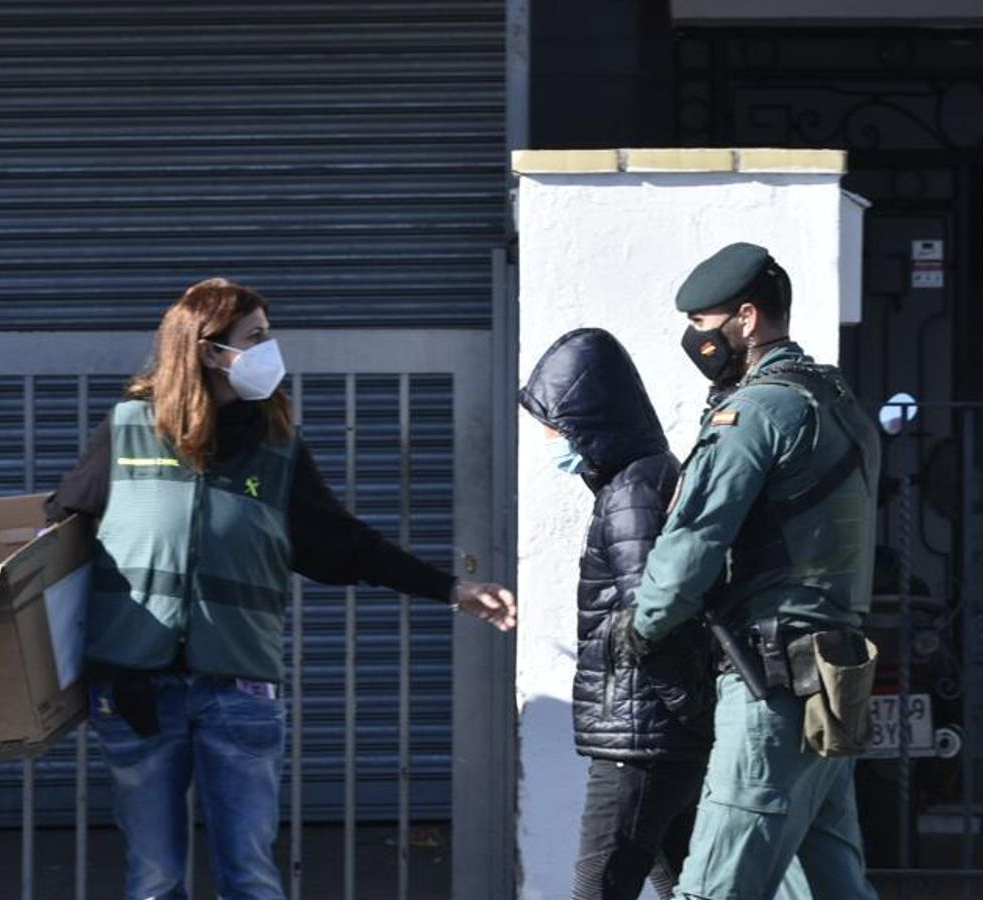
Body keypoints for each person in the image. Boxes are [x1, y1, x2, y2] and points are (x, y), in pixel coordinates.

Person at [44, 277, 516, 900]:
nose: (271, 351)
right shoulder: (129, 428)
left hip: (238, 688)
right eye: (256, 337)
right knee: (154, 878)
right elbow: (60, 531)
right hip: (137, 689)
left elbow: (344, 544)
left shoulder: (277, 448)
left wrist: (450, 588)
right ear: (210, 351)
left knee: (250, 875)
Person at [615, 243, 881, 900]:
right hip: (829, 678)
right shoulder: (835, 399)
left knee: (714, 886)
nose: (696, 339)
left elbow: (697, 534)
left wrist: (644, 624)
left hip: (771, 684)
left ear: (747, 317)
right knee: (828, 884)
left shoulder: (756, 411)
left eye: (702, 323)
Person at [518, 329, 714, 900]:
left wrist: (683, 709)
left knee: (600, 886)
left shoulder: (633, 492)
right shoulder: (638, 481)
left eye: (557, 426)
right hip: (653, 730)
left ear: (590, 419)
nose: (552, 440)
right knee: (686, 885)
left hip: (641, 735)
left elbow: (652, 614)